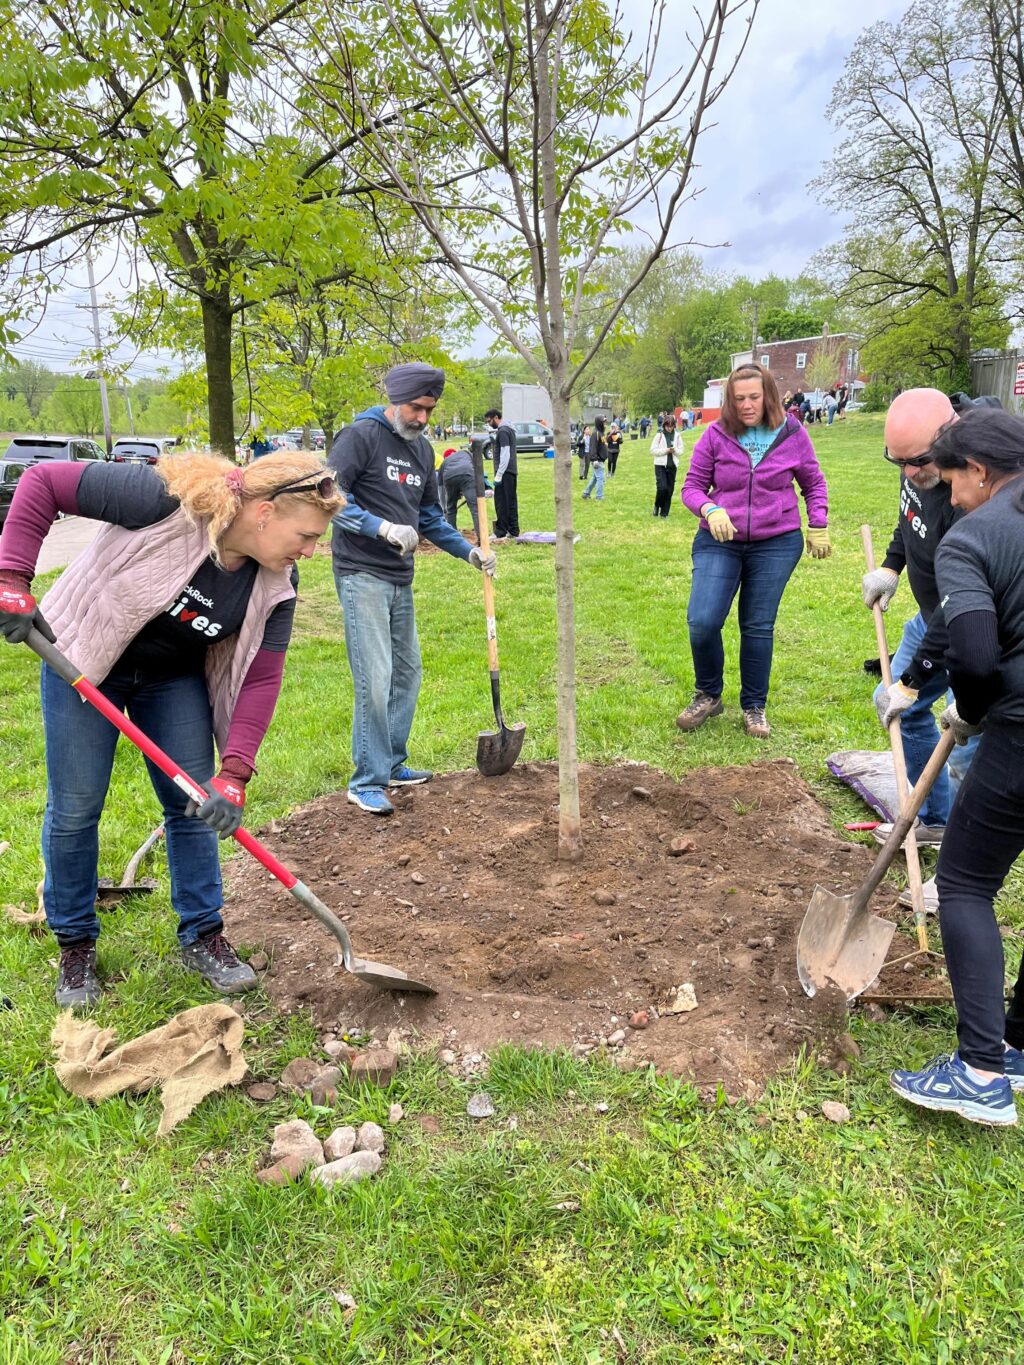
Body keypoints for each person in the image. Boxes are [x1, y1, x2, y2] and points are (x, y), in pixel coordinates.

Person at [0, 449, 343, 1008]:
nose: (309, 549)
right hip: (86, 662)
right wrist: (11, 577)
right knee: (77, 806)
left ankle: (204, 934)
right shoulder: (161, 502)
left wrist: (234, 774)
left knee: (193, 803)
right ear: (265, 511)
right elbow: (42, 482)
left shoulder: (276, 583)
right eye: (304, 534)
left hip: (170, 678)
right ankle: (76, 945)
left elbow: (262, 676)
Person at [889, 408, 1024, 1126]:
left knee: (966, 881)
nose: (947, 496)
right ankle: (1020, 1046)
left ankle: (979, 1072)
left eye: (952, 479)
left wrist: (969, 707)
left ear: (979, 470)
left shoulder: (975, 536)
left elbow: (972, 654)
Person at [327, 363, 496, 816]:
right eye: (416, 407)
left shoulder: (422, 452)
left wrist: (469, 551)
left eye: (429, 410)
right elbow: (329, 497)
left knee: (407, 673)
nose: (422, 418)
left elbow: (429, 518)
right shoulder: (359, 436)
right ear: (395, 398)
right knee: (375, 676)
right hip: (361, 571)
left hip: (400, 577)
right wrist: (379, 527)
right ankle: (366, 779)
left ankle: (392, 762)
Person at [678, 362, 830, 738]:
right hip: (721, 541)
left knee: (757, 625)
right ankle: (709, 694)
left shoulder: (793, 433)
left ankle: (754, 707)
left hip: (776, 542)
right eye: (738, 398)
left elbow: (813, 482)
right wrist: (709, 508)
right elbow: (692, 487)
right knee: (703, 621)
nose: (746, 405)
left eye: (754, 397)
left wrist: (818, 523)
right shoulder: (714, 435)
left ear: (768, 397)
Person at [868, 389, 981, 886]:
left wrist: (913, 679)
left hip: (977, 627)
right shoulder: (917, 467)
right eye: (900, 462)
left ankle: (962, 867)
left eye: (919, 461)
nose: (910, 472)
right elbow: (910, 516)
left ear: (951, 438)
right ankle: (933, 817)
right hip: (935, 616)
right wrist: (893, 566)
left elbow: (965, 605)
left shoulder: (977, 494)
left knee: (970, 755)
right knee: (896, 706)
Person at [484, 408, 519, 540]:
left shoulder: (503, 431)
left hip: (505, 472)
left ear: (496, 417)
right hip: (511, 471)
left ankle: (501, 531)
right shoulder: (508, 429)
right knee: (511, 501)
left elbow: (505, 454)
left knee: (502, 502)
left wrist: (499, 474)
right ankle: (513, 529)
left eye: (490, 421)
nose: (489, 423)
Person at [438, 444, 480, 538]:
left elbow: (441, 488)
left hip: (448, 476)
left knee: (451, 508)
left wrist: (444, 508)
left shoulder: (444, 463)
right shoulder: (466, 453)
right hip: (467, 473)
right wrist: (480, 490)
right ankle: (481, 536)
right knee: (474, 508)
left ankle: (452, 536)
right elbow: (478, 471)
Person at [650, 412, 683, 518]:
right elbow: (653, 450)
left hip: (672, 466)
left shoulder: (677, 436)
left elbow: (681, 451)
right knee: (662, 488)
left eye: (671, 426)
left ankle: (664, 514)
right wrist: (666, 450)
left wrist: (674, 450)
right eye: (667, 426)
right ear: (664, 425)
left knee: (669, 490)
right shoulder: (659, 435)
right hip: (660, 465)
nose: (669, 428)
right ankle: (657, 505)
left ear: (674, 426)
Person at [582, 419, 607, 501]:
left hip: (601, 459)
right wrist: (594, 459)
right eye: (603, 422)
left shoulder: (601, 433)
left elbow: (603, 444)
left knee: (595, 478)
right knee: (600, 478)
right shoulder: (595, 433)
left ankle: (586, 493)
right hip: (597, 460)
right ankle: (599, 496)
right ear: (599, 423)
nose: (605, 424)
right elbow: (593, 447)